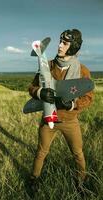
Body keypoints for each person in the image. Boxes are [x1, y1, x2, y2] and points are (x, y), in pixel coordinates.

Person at [28, 29, 94, 196]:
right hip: (48, 119)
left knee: (78, 153)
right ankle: (33, 181)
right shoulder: (47, 65)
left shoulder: (82, 70)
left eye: (65, 43)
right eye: (60, 41)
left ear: (73, 47)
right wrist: (39, 93)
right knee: (41, 152)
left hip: (70, 121)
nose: (59, 45)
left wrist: (72, 104)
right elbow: (32, 87)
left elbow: (88, 97)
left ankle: (81, 183)